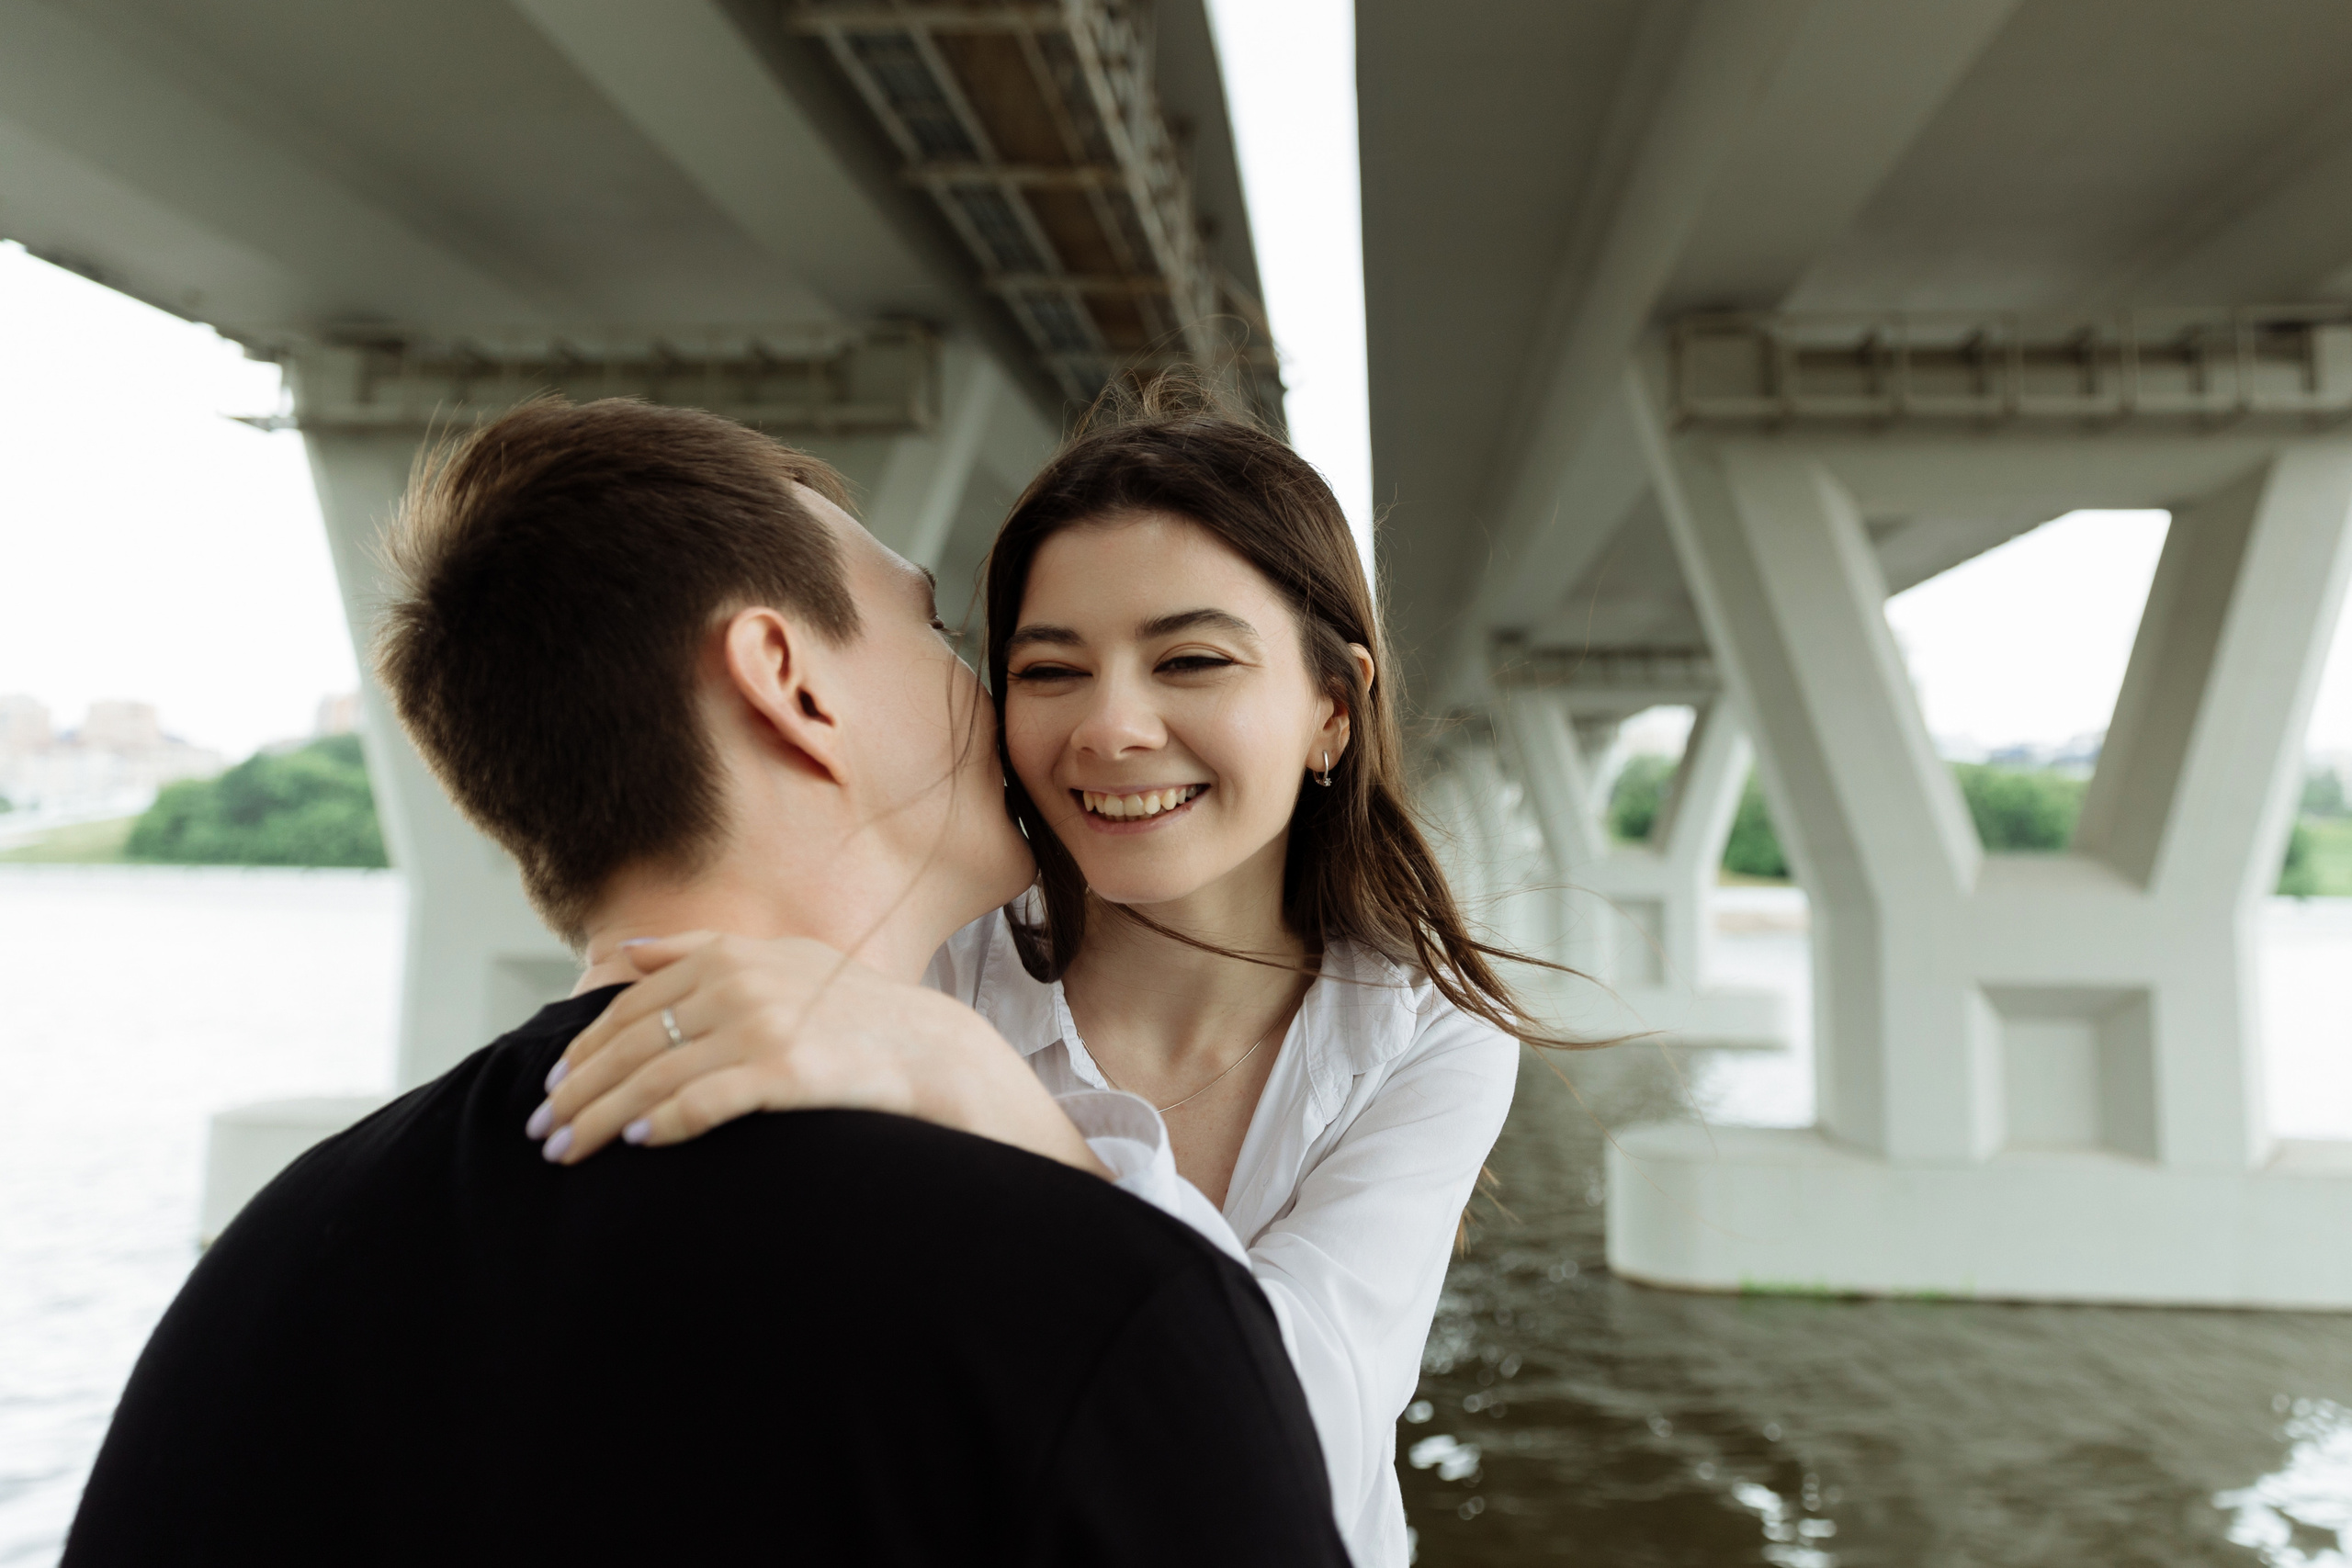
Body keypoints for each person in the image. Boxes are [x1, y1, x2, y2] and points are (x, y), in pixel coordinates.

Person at [62, 398, 1350, 1568]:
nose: (1000, 700)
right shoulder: (1104, 1296)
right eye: (935, 630)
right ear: (789, 684)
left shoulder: (270, 1268)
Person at [534, 385, 1544, 1567]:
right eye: (1050, 670)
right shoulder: (915, 963)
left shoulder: (1427, 1030)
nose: (1111, 728)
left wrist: (988, 1094)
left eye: (1191, 660)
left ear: (1331, 711)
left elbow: (1296, 1429)